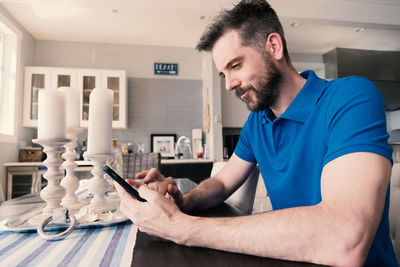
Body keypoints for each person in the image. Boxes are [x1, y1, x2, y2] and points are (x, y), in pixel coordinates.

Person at [115, 0, 399, 266]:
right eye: (223, 74)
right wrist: (179, 203)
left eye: (235, 66)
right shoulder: (256, 123)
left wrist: (181, 227)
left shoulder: (350, 98)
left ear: (274, 46)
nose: (229, 85)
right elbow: (223, 183)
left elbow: (345, 240)